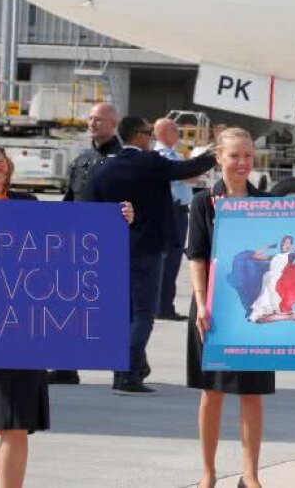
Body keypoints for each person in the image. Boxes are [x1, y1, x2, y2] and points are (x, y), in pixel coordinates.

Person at [0, 131, 132, 487]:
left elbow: (71, 237)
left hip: (24, 322)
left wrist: (116, 220)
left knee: (16, 422)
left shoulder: (27, 202)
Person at [90, 115, 217, 396]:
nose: (152, 139)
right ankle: (128, 374)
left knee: (123, 315)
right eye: (149, 133)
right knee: (144, 313)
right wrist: (214, 155)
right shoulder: (150, 162)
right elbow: (187, 168)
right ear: (137, 136)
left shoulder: (105, 169)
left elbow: (90, 206)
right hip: (147, 248)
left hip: (112, 250)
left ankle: (122, 371)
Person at [186, 127, 274, 488]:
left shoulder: (266, 203)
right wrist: (203, 303)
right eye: (235, 155)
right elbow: (196, 256)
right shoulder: (203, 202)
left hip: (254, 309)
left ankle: (250, 473)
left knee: (252, 392)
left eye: (248, 155)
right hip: (212, 306)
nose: (242, 163)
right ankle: (208, 473)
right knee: (213, 392)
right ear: (219, 158)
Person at [49, 101, 123, 385]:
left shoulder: (124, 159)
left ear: (113, 124)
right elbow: (70, 199)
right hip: (78, 246)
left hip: (110, 246)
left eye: (99, 119)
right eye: (91, 119)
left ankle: (128, 369)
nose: (93, 123)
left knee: (115, 310)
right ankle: (66, 366)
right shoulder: (81, 159)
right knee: (70, 308)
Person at [155, 117, 194, 322]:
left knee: (169, 260)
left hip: (174, 210)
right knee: (170, 261)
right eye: (174, 130)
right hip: (173, 211)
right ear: (163, 132)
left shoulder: (168, 154)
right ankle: (163, 307)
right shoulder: (165, 155)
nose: (178, 134)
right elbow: (186, 177)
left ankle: (162, 305)